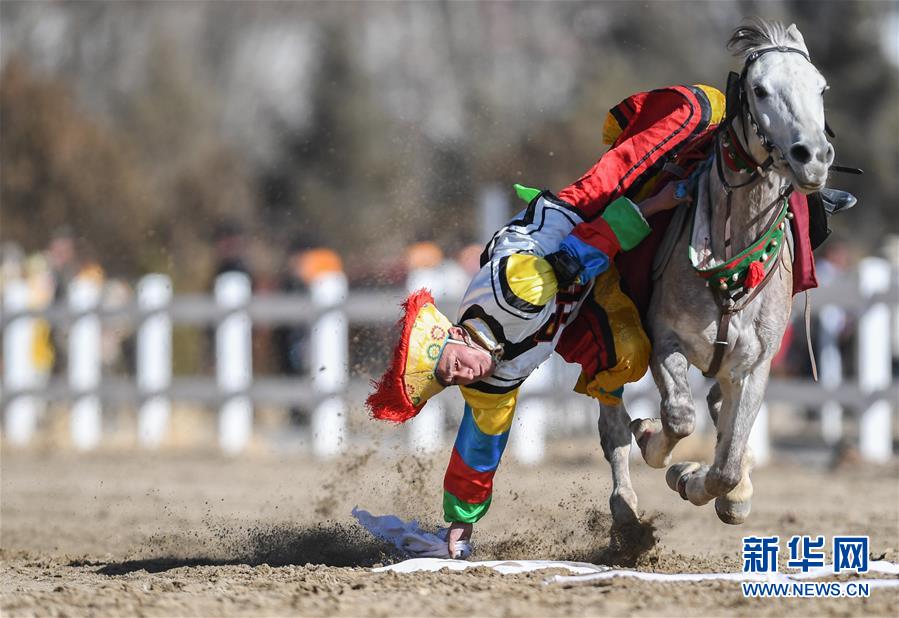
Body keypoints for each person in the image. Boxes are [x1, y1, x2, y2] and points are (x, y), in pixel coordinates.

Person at [366, 176, 690, 558]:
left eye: (454, 365)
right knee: (629, 353)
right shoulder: (487, 385)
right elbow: (478, 447)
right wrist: (460, 526)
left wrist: (656, 204)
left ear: (458, 335)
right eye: (451, 381)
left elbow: (587, 245)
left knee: (646, 154)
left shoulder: (516, 292)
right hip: (567, 302)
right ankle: (625, 423)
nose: (464, 376)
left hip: (569, 228)